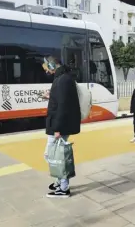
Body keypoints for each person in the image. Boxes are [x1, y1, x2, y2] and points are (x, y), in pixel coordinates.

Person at [45, 64, 81, 198]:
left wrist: (57, 128)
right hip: (60, 125)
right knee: (55, 155)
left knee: (53, 156)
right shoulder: (65, 79)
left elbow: (63, 106)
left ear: (52, 66)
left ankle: (63, 187)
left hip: (59, 126)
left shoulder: (62, 80)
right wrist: (50, 97)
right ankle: (59, 182)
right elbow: (61, 101)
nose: (46, 71)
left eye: (46, 68)